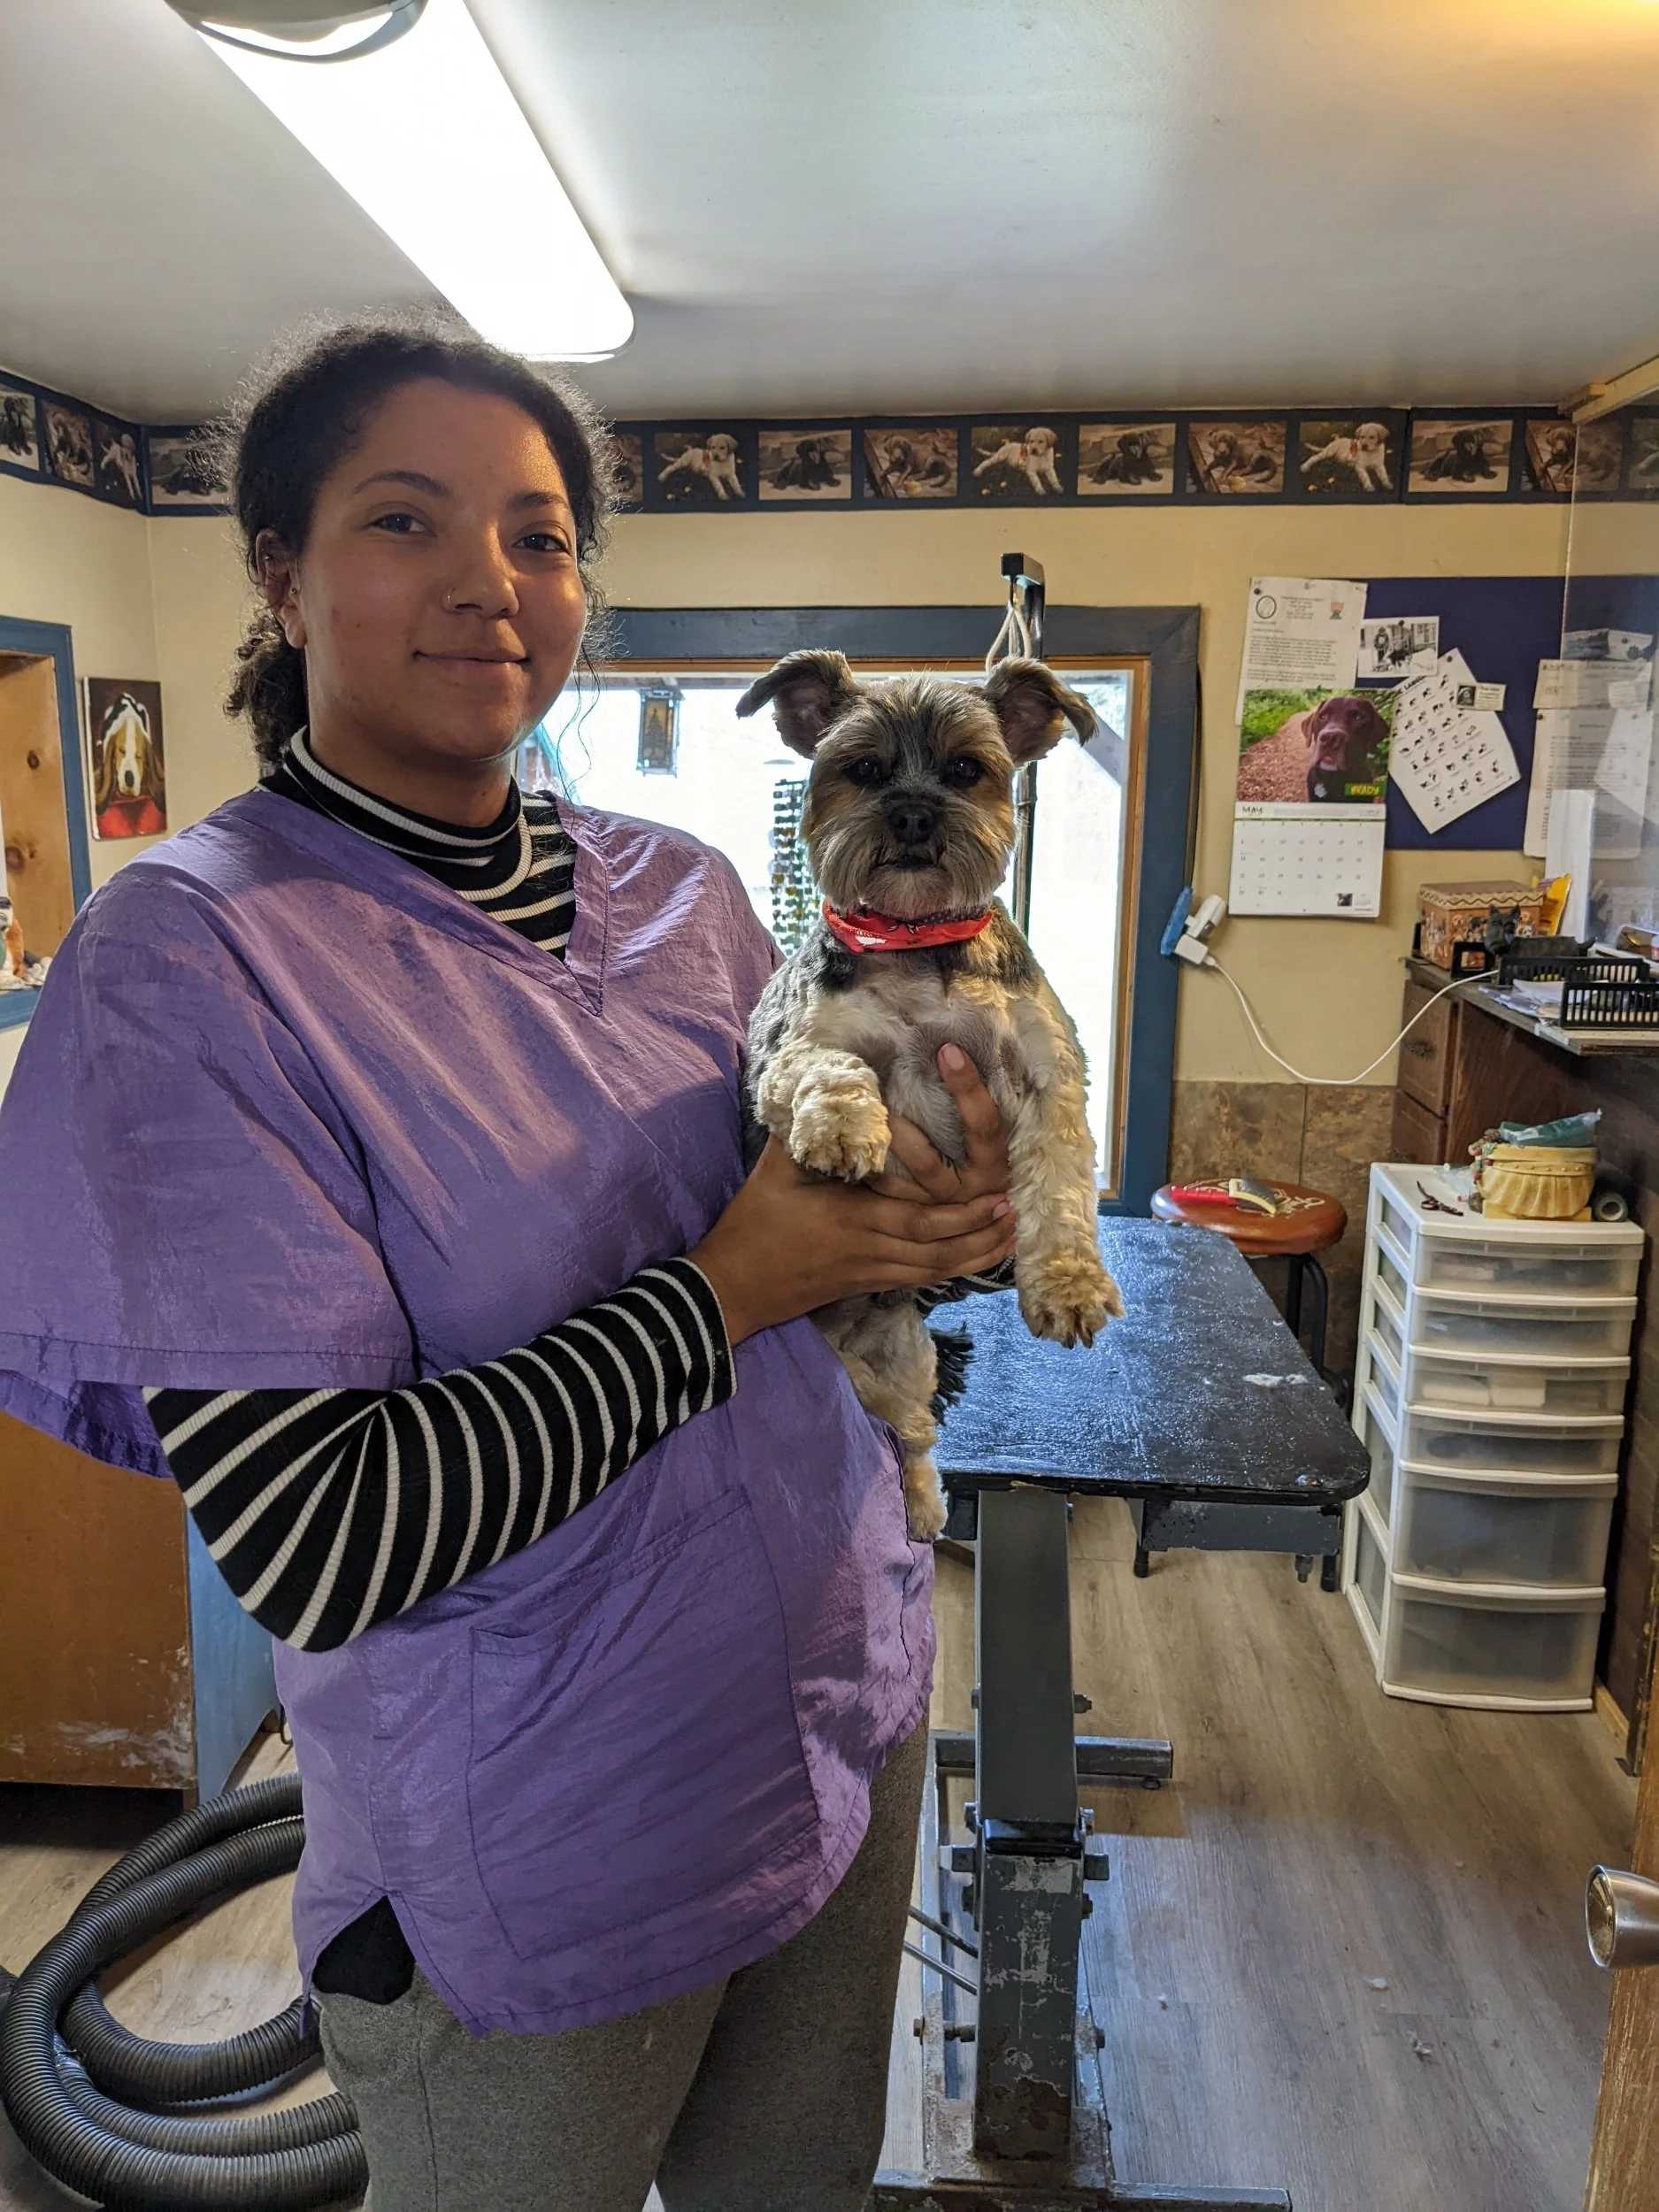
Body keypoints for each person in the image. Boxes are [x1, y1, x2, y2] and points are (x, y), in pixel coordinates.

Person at [0, 315, 1020, 2211]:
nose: (492, 582)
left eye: (542, 537)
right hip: (550, 1828)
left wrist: (930, 1236)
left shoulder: (692, 896)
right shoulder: (187, 962)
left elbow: (822, 1276)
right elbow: (321, 1535)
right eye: (409, 519)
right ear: (283, 575)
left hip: (840, 1711)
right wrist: (733, 1281)